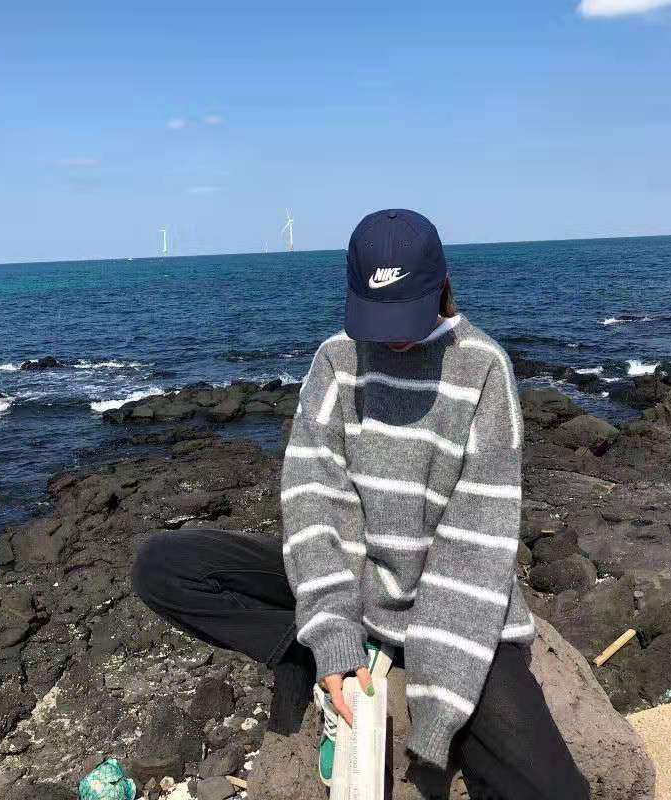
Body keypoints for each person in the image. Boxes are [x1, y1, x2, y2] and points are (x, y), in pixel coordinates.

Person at [133, 209, 590, 800]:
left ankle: (361, 654)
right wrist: (333, 637)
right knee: (163, 565)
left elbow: (476, 540)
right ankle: (299, 652)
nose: (391, 337)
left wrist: (437, 705)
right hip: (353, 575)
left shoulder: (483, 369)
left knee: (557, 791)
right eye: (378, 316)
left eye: (404, 315)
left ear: (441, 287)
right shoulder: (336, 360)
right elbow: (313, 497)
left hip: (447, 598)